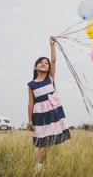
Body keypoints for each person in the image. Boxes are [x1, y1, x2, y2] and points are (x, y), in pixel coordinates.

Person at [27, 36, 71, 171]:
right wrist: (30, 121)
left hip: (52, 113)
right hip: (39, 115)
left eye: (46, 63)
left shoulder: (50, 78)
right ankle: (38, 167)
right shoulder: (31, 84)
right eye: (41, 62)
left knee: (46, 142)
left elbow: (53, 60)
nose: (44, 63)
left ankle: (38, 167)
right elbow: (30, 103)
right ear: (36, 67)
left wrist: (51, 45)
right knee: (44, 142)